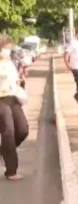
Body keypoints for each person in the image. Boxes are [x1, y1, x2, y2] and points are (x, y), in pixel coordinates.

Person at [0, 35, 29, 181]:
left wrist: (20, 80)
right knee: (8, 132)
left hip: (13, 98)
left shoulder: (9, 62)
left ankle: (5, 150)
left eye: (9, 48)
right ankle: (11, 171)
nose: (7, 51)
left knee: (22, 129)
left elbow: (15, 79)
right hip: (1, 100)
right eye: (5, 48)